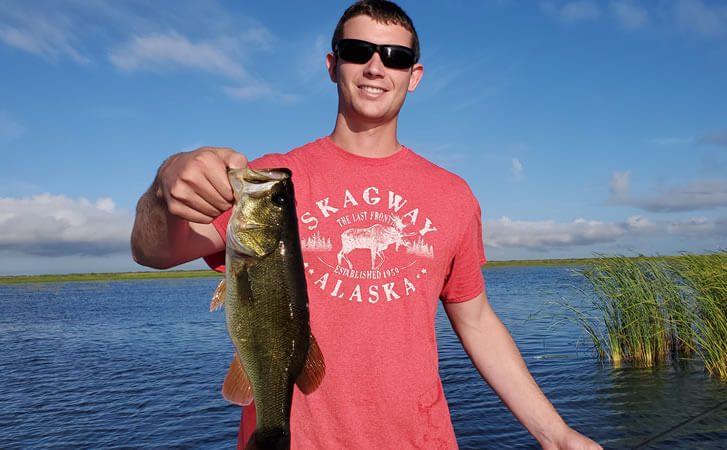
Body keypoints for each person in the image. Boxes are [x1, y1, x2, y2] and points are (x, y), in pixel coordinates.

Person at [130, 1, 602, 448]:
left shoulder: (453, 195)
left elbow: (476, 321)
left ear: (413, 75)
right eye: (359, 52)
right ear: (333, 65)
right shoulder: (268, 184)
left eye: (395, 57)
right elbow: (152, 253)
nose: (376, 67)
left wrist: (555, 434)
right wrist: (165, 185)